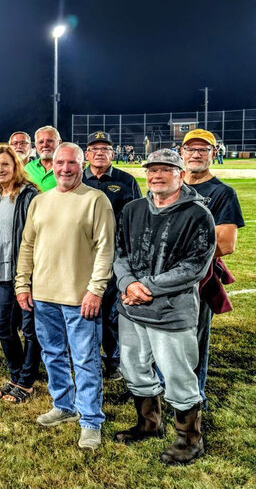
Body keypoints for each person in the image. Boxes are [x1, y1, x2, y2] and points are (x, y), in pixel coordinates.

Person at [112, 149, 215, 465]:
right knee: (133, 367)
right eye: (152, 170)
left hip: (171, 311)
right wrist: (127, 283)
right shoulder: (133, 209)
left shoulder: (197, 215)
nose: (156, 175)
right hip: (132, 308)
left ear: (180, 174)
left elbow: (195, 266)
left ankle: (189, 440)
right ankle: (149, 424)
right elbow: (120, 253)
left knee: (178, 374)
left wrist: (146, 287)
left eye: (165, 169)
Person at [15, 143, 114, 450]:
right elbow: (27, 246)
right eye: (60, 162)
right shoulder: (40, 201)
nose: (65, 168)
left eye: (72, 163)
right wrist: (22, 283)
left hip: (80, 298)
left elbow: (105, 250)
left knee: (85, 361)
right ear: (52, 164)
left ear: (81, 165)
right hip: (43, 296)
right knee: (53, 355)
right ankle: (64, 405)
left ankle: (90, 421)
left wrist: (96, 290)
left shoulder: (96, 200)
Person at [181, 129, 244, 404]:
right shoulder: (169, 184)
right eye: (191, 149)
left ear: (213, 154)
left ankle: (194, 396)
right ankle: (165, 389)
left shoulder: (221, 193)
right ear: (181, 152)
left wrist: (180, 262)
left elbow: (227, 243)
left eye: (203, 149)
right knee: (162, 337)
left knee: (193, 339)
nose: (196, 154)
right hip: (162, 278)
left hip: (198, 278)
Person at [82, 131, 143, 379]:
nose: (99, 153)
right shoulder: (76, 179)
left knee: (110, 311)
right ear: (86, 154)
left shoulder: (126, 181)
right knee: (82, 308)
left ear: (113, 153)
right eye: (94, 149)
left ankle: (113, 358)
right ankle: (86, 357)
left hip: (115, 255)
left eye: (105, 149)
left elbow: (138, 219)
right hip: (82, 255)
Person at [0, 145, 41, 403]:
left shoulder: (28, 195)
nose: (0, 170)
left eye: (5, 164)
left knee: (30, 329)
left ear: (16, 165)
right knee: (3, 326)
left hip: (24, 272)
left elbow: (36, 236)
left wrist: (27, 274)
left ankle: (27, 382)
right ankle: (16, 375)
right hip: (1, 270)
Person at [24, 125, 61, 191]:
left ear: (59, 143)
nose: (45, 145)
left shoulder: (68, 167)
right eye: (40, 142)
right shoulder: (28, 168)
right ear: (35, 145)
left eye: (50, 141)